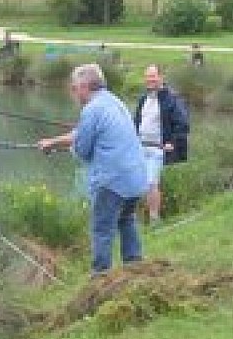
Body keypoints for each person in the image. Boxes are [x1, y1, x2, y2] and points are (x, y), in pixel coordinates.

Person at [38, 64, 147, 275]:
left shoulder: (92, 109)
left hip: (112, 180)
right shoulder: (114, 102)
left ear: (85, 86)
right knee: (126, 220)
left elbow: (82, 150)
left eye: (74, 88)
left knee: (102, 230)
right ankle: (135, 269)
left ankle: (100, 277)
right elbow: (80, 134)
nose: (73, 92)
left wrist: (63, 147)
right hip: (135, 178)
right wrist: (52, 143)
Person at [133, 65, 190, 224]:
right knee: (141, 184)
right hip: (141, 148)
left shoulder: (172, 99)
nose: (150, 80)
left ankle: (154, 219)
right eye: (147, 76)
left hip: (158, 150)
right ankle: (143, 217)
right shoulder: (143, 98)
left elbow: (183, 124)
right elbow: (136, 122)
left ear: (161, 77)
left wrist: (172, 142)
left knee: (152, 182)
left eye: (153, 76)